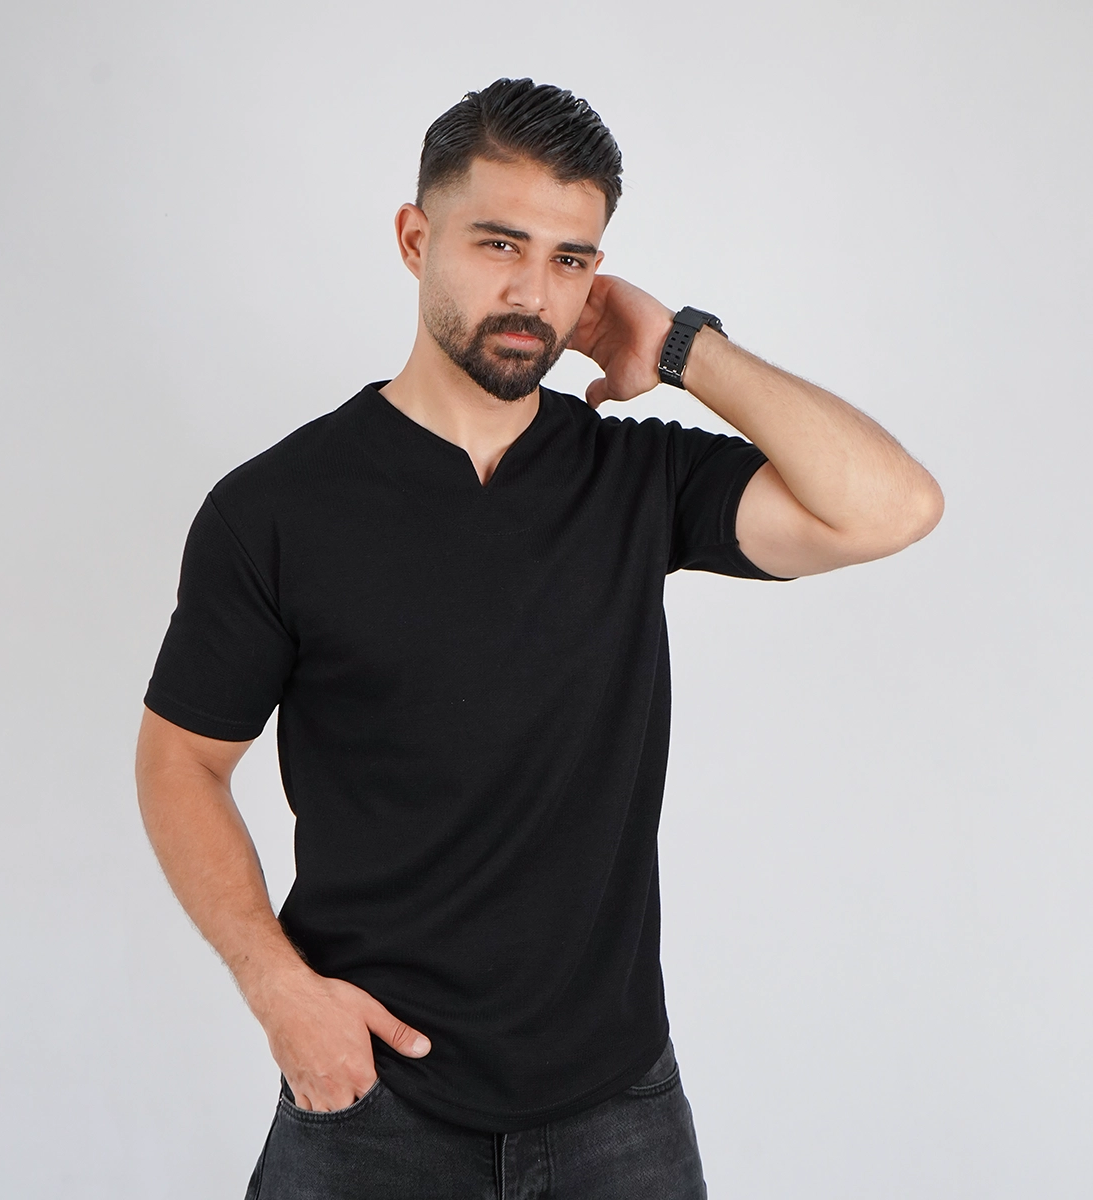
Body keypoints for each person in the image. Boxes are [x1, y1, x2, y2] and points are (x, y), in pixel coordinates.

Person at [135, 77, 943, 1199]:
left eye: (570, 260)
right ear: (415, 238)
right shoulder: (275, 508)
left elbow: (892, 508)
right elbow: (181, 761)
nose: (532, 293)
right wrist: (279, 991)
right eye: (499, 243)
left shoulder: (635, 477)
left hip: (618, 1107)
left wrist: (684, 347)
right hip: (371, 1096)